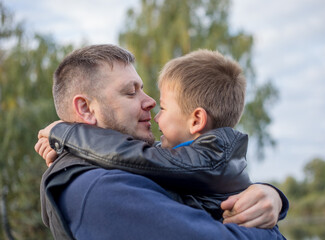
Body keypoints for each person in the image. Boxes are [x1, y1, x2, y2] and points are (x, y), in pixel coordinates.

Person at [36, 44, 287, 239]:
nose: (151, 102)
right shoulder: (99, 188)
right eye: (131, 92)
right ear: (86, 109)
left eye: (143, 88)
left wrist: (271, 196)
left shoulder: (129, 166)